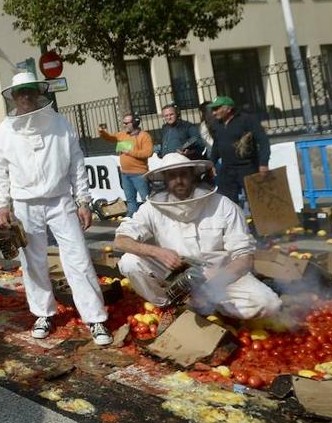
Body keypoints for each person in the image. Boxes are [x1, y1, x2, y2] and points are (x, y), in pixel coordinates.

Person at [0, 72, 112, 344]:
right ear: (13, 96)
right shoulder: (5, 129)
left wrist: (83, 201)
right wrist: (2, 205)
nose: (25, 96)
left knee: (78, 257)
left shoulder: (60, 123)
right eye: (20, 92)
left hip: (60, 200)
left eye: (30, 91)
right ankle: (43, 313)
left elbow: (76, 163)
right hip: (24, 203)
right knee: (33, 261)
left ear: (38, 93)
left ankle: (96, 319)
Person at [113, 153, 281, 320]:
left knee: (269, 304)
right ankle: (169, 306)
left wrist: (211, 287)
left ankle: (211, 307)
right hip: (175, 273)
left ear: (193, 175)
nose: (178, 180)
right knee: (130, 262)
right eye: (172, 175)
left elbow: (244, 258)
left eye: (183, 174)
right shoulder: (151, 208)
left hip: (220, 274)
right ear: (163, 179)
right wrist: (158, 252)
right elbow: (121, 240)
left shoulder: (224, 206)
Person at [207, 95, 269, 206]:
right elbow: (217, 144)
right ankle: (234, 223)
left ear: (228, 109)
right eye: (213, 109)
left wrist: (263, 163)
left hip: (247, 167)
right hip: (227, 168)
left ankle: (259, 223)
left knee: (257, 201)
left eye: (216, 109)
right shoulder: (217, 124)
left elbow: (263, 141)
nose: (213, 113)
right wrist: (212, 162)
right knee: (227, 203)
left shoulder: (246, 120)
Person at [98, 113, 154, 217]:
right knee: (130, 200)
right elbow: (109, 138)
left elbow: (148, 152)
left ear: (135, 123)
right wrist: (102, 132)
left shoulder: (144, 136)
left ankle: (152, 219)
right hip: (125, 174)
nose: (124, 125)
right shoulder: (122, 135)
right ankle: (131, 220)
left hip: (140, 174)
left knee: (147, 200)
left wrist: (130, 152)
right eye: (123, 123)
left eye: (126, 123)